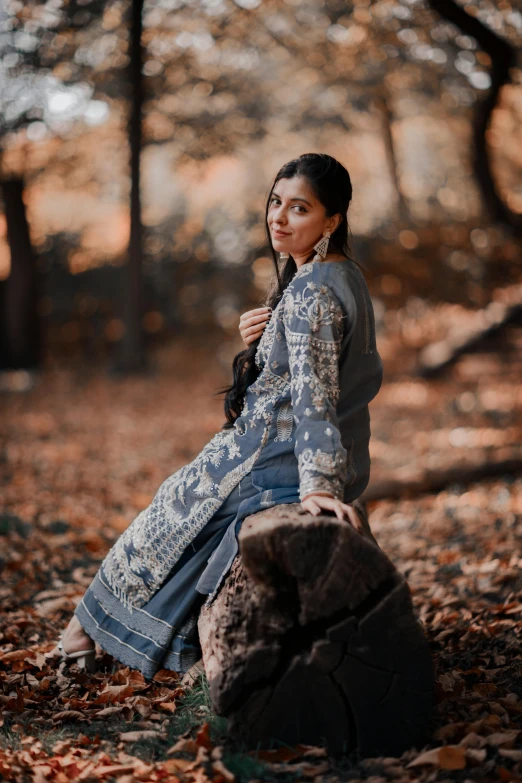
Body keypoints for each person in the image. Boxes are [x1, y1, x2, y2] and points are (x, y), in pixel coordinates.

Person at [47, 152, 384, 681]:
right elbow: (320, 365)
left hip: (281, 459)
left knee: (170, 511)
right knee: (175, 497)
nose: (279, 217)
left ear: (332, 220)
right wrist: (266, 337)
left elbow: (314, 396)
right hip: (309, 449)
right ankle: (85, 631)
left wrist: (319, 485)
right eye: (276, 202)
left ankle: (82, 630)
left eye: (300, 208)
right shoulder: (341, 276)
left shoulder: (310, 293)